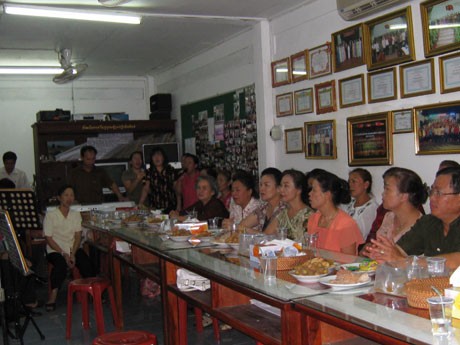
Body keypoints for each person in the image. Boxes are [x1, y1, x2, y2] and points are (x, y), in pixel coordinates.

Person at [365, 167, 460, 270]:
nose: (431, 198)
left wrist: (406, 262)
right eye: (432, 191)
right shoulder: (428, 222)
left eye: (438, 193)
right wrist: (382, 254)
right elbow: (400, 251)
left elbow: (456, 261)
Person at [44, 185, 96, 311]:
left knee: (84, 260)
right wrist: (64, 253)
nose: (69, 198)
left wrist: (72, 253)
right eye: (66, 195)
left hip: (72, 247)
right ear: (59, 197)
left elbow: (78, 236)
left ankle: (94, 291)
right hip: (55, 250)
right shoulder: (51, 215)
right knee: (60, 264)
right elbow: (49, 239)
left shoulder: (75, 214)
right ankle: (53, 296)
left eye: (71, 195)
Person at [307, 171, 363, 255]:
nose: (309, 193)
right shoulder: (313, 219)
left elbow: (348, 262)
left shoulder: (346, 224)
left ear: (327, 195)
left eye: (314, 190)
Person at [264, 169, 312, 242]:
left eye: (286, 186)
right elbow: (266, 236)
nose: (281, 190)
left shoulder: (308, 215)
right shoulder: (283, 214)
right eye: (281, 186)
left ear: (299, 189)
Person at [238, 168, 285, 233]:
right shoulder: (263, 208)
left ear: (279, 188)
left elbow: (268, 236)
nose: (262, 189)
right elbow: (242, 225)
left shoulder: (284, 209)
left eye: (266, 185)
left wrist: (246, 230)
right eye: (260, 185)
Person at [341, 168, 378, 240]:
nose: (350, 185)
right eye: (349, 182)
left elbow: (360, 235)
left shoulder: (371, 209)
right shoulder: (349, 203)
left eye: (354, 181)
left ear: (366, 185)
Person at [142, 148, 177, 213]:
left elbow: (176, 189)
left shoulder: (171, 170)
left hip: (170, 206)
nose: (156, 158)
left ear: (163, 157)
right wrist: (140, 203)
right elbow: (146, 189)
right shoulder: (149, 172)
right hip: (154, 207)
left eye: (159, 155)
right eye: (154, 156)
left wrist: (179, 206)